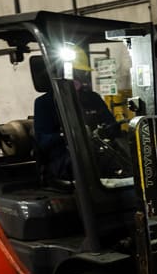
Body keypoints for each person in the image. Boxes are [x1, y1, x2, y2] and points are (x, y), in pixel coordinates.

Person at [33, 46, 121, 181]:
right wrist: (70, 134)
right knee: (86, 164)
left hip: (97, 152)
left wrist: (108, 130)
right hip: (63, 159)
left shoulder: (93, 98)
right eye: (73, 73)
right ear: (60, 75)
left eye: (80, 73)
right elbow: (43, 141)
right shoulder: (45, 103)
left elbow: (112, 127)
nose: (77, 78)